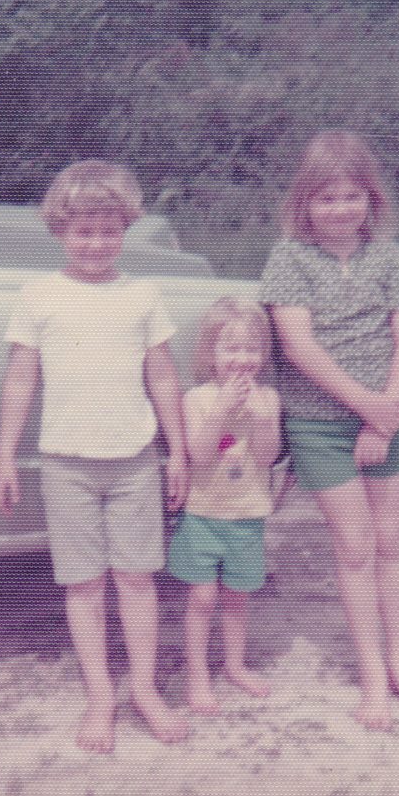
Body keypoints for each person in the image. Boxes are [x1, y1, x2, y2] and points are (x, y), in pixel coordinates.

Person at [0, 159, 190, 752]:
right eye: (83, 231)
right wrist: (5, 457)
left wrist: (177, 450)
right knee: (83, 584)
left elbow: (162, 375)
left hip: (134, 461)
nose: (97, 243)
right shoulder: (38, 295)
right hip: (66, 465)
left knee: (136, 578)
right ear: (60, 230)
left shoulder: (144, 295)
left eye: (109, 231)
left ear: (126, 229)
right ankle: (101, 694)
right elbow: (21, 378)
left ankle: (145, 690)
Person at [258, 130, 399, 731]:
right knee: (355, 546)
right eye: (327, 198)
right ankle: (370, 677)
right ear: (304, 202)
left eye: (352, 197)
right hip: (321, 423)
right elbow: (298, 345)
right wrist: (368, 407)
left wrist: (386, 412)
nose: (341, 210)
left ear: (371, 199)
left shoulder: (388, 256)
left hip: (386, 417)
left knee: (392, 543)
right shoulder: (288, 258)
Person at [167, 298, 281, 714]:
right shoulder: (197, 399)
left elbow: (267, 457)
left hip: (247, 516)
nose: (241, 359)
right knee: (201, 598)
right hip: (202, 515)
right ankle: (197, 676)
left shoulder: (268, 399)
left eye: (251, 349)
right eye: (230, 349)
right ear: (210, 356)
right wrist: (220, 412)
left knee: (237, 597)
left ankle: (235, 666)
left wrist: (261, 419)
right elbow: (199, 455)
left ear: (263, 355)